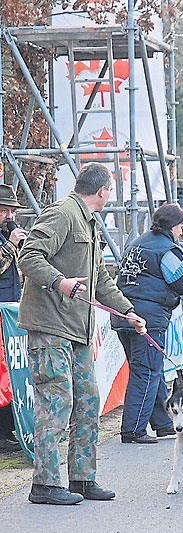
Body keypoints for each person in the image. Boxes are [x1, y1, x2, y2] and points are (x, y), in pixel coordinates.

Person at [17, 163, 147, 506]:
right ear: (102, 190)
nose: (110, 195)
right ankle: (44, 484)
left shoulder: (89, 221)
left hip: (77, 330)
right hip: (50, 327)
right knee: (56, 404)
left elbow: (100, 278)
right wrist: (61, 282)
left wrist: (129, 311)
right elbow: (28, 257)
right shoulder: (62, 213)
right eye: (111, 190)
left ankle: (82, 478)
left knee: (88, 403)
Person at [114, 203, 183, 444]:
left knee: (147, 370)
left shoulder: (137, 242)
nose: (182, 231)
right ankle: (133, 430)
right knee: (147, 372)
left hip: (123, 314)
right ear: (174, 226)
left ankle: (163, 423)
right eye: (182, 226)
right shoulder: (168, 251)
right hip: (148, 318)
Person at [0, 184, 28, 453]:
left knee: (10, 374)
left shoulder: (9, 235)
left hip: (11, 313)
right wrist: (10, 245)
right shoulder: (7, 241)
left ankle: (8, 429)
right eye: (4, 211)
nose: (10, 216)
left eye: (12, 211)